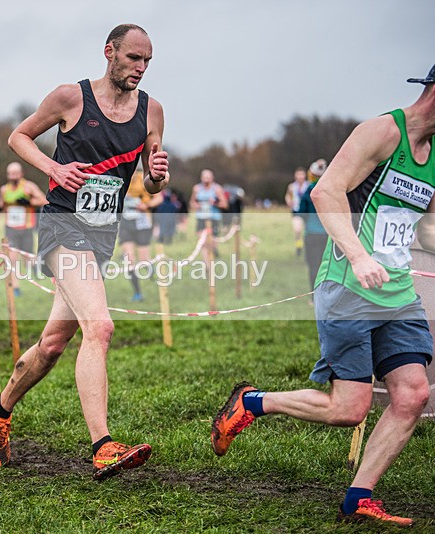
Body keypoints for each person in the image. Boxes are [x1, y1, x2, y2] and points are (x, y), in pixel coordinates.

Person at [211, 64, 435, 527]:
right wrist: (357, 255)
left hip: (398, 293)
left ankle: (358, 497)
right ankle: (252, 402)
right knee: (348, 410)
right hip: (349, 284)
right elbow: (325, 192)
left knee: (412, 395)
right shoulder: (380, 132)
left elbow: (426, 226)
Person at [0, 23, 169, 480]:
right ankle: (103, 445)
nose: (140, 69)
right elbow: (18, 137)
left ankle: (0, 407)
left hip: (102, 234)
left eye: (147, 61)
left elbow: (152, 177)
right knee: (100, 327)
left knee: (51, 345)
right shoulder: (72, 97)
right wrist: (53, 167)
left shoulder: (153, 111)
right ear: (110, 52)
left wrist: (159, 175)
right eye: (133, 59)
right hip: (62, 225)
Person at [0, 161, 47, 296]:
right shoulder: (4, 189)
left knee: (27, 259)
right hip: (10, 229)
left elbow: (44, 200)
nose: (12, 177)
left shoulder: (29, 187)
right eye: (9, 174)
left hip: (26, 228)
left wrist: (29, 202)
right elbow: (1, 204)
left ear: (21, 174)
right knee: (12, 258)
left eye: (14, 174)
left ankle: (35, 266)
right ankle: (16, 288)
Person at [118, 170, 161, 301]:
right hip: (125, 224)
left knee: (143, 259)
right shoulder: (117, 175)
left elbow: (160, 197)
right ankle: (137, 293)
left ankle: (149, 265)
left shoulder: (143, 178)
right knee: (129, 259)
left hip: (142, 223)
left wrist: (147, 205)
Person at [298, 159, 328, 293]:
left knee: (313, 267)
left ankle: (314, 296)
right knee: (327, 267)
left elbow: (301, 213)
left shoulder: (309, 191)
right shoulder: (330, 190)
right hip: (328, 235)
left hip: (311, 234)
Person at [190, 169, 228, 237]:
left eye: (208, 178)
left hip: (214, 218)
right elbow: (191, 203)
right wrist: (197, 205)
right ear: (201, 178)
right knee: (201, 239)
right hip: (201, 217)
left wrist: (215, 203)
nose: (206, 180)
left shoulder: (217, 189)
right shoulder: (197, 188)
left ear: (212, 178)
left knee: (213, 240)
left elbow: (225, 205)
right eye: (204, 178)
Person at [285, 167, 311, 257]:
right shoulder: (292, 187)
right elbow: (288, 196)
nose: (300, 177)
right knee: (297, 230)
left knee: (307, 231)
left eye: (302, 174)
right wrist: (289, 201)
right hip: (296, 210)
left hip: (307, 211)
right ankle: (298, 246)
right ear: (295, 176)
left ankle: (307, 248)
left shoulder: (308, 185)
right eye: (298, 174)